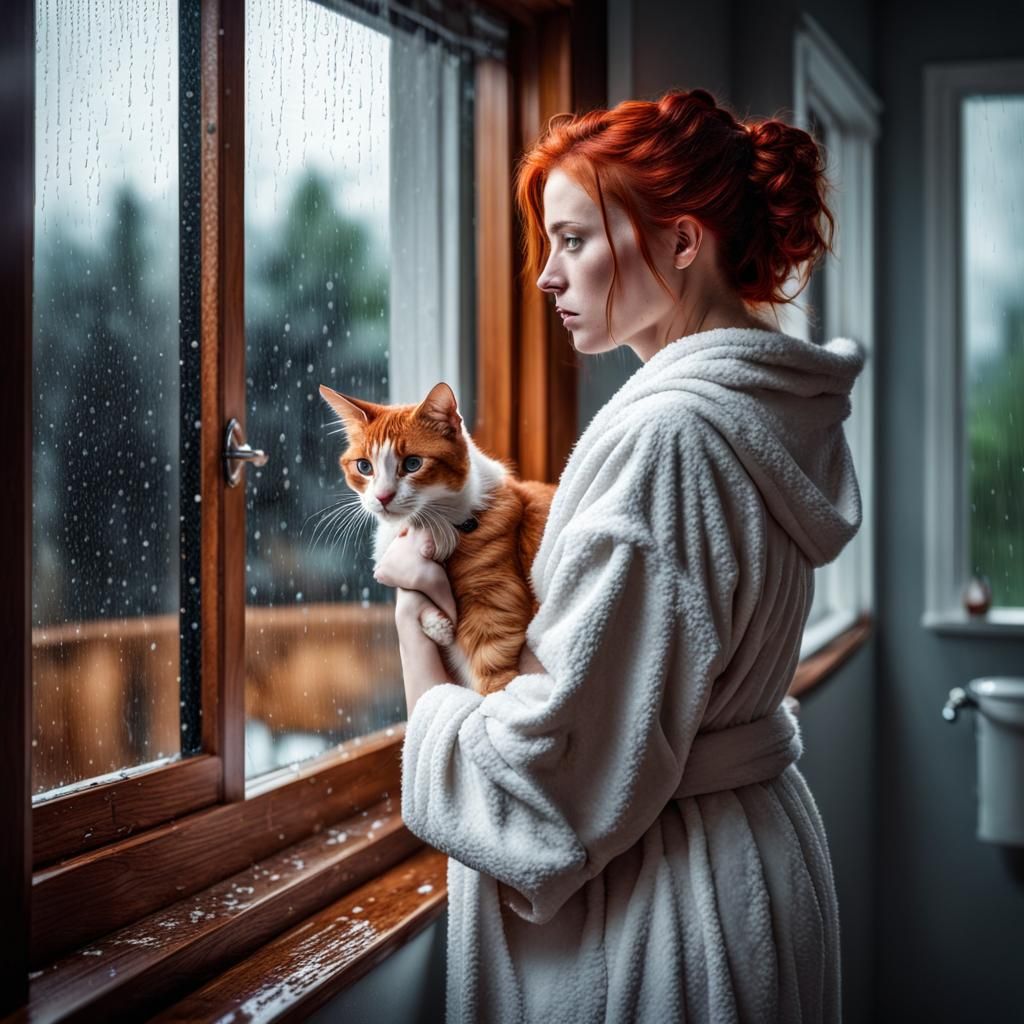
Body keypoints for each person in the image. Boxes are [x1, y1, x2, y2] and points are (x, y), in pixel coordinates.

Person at [372, 88, 865, 1023]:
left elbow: (555, 780)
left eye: (574, 240)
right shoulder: (763, 407)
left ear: (682, 243)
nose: (547, 278)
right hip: (749, 862)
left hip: (669, 916)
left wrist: (412, 611)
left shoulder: (670, 438)